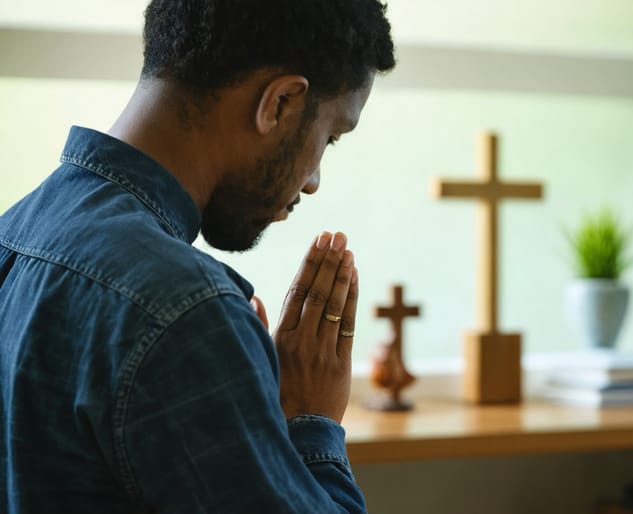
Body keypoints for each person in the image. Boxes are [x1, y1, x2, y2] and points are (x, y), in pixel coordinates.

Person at [0, 0, 395, 512]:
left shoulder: (12, 232)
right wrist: (308, 421)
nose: (314, 181)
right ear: (280, 103)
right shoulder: (184, 311)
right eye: (331, 137)